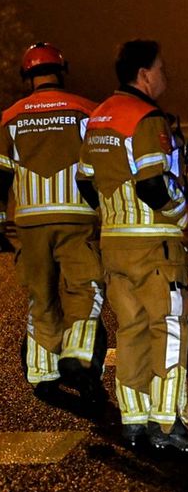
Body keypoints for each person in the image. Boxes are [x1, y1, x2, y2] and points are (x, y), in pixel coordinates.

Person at [78, 40, 188, 452]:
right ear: (143, 74)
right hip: (154, 245)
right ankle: (168, 424)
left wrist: (115, 216)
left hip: (114, 244)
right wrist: (179, 214)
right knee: (171, 329)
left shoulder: (99, 118)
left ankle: (134, 421)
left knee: (132, 331)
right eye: (160, 67)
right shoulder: (146, 118)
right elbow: (153, 184)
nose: (164, 74)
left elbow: (85, 182)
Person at [0, 42, 108, 415]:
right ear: (61, 71)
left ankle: (42, 372)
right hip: (77, 218)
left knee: (41, 297)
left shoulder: (9, 118)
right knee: (85, 291)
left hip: (29, 223)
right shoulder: (86, 110)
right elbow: (105, 163)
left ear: (26, 76)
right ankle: (80, 359)